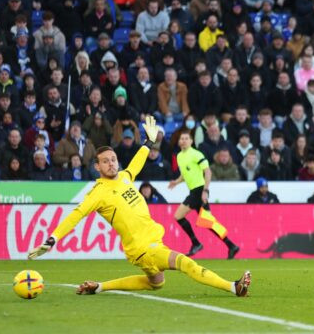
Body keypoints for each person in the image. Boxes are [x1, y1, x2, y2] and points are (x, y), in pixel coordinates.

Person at [27, 116, 250, 297]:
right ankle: (233, 287)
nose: (111, 163)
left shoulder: (124, 176)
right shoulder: (98, 193)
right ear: (97, 166)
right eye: (106, 161)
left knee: (156, 283)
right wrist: (52, 239)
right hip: (144, 248)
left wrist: (148, 142)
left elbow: (136, 162)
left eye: (113, 159)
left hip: (150, 243)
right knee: (185, 263)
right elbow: (76, 215)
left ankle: (100, 286)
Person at [168, 131, 240, 259]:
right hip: (194, 192)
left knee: (179, 216)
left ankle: (196, 243)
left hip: (200, 191)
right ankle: (231, 245)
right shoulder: (179, 156)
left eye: (186, 138)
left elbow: (208, 172)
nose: (183, 140)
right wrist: (177, 182)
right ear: (179, 142)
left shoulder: (196, 154)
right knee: (209, 222)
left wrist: (205, 191)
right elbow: (185, 175)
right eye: (181, 139)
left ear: (191, 142)